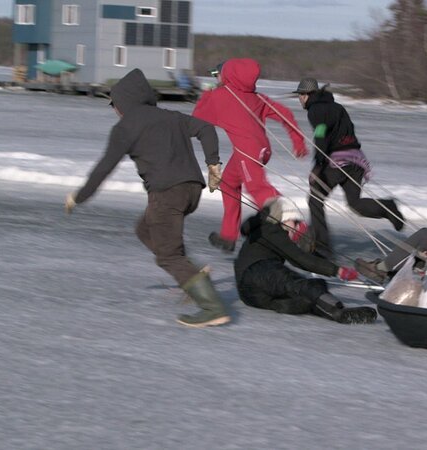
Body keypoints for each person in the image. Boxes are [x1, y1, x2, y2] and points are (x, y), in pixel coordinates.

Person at [64, 68, 230, 328]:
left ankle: (211, 306)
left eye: (115, 104)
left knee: (167, 255)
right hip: (192, 190)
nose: (115, 110)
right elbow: (207, 129)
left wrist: (79, 196)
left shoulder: (125, 127)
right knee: (145, 228)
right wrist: (213, 165)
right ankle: (192, 274)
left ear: (124, 102)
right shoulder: (170, 117)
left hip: (167, 194)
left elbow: (104, 168)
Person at [193, 58, 308, 252]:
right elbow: (285, 113)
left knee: (258, 188)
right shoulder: (255, 98)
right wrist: (298, 142)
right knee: (229, 183)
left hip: (248, 153)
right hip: (260, 149)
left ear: (227, 75)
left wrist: (206, 94)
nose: (215, 77)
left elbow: (196, 119)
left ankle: (298, 227)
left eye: (217, 74)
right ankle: (229, 236)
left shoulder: (220, 96)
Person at [294, 77, 404, 260]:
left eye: (300, 95)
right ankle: (388, 207)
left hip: (338, 163)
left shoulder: (315, 110)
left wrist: (317, 167)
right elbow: (348, 131)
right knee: (355, 204)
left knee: (315, 199)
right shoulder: (337, 107)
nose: (299, 99)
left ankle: (322, 248)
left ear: (306, 95)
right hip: (356, 161)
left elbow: (320, 133)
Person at [234, 198, 377, 324]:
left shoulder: (264, 229)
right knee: (297, 284)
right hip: (257, 271)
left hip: (251, 295)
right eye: (295, 222)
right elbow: (301, 259)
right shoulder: (271, 229)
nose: (296, 227)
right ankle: (338, 311)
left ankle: (328, 309)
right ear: (284, 218)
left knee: (305, 295)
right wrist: (337, 270)